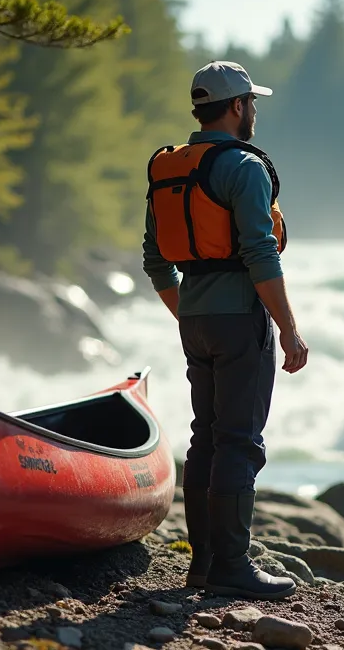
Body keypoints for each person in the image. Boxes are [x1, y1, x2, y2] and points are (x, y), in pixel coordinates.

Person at [141, 60, 309, 600]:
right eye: (251, 103)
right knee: (239, 441)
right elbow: (260, 253)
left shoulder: (168, 166)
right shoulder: (244, 167)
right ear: (237, 107)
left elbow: (154, 260)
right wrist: (289, 329)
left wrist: (188, 312)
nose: (254, 111)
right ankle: (232, 566)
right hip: (241, 320)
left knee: (206, 440)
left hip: (195, 318)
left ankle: (203, 565)